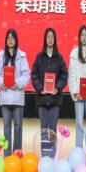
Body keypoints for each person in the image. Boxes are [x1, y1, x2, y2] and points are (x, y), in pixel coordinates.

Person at [31, 27, 68, 157]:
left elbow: (64, 75)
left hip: (54, 100)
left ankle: (52, 157)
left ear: (55, 39)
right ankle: (44, 156)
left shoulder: (59, 57)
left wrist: (57, 87)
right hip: (42, 99)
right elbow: (34, 75)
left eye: (52, 37)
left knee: (52, 130)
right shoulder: (39, 57)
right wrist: (40, 88)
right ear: (45, 39)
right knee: (43, 130)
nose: (50, 39)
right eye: (48, 37)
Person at [0, 28, 30, 155]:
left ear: (16, 40)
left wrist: (18, 83)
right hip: (5, 97)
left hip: (17, 97)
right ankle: (7, 155)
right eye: (8, 38)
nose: (10, 40)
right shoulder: (1, 56)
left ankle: (17, 154)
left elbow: (26, 74)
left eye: (12, 38)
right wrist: (1, 83)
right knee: (6, 128)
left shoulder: (22, 55)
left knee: (18, 127)